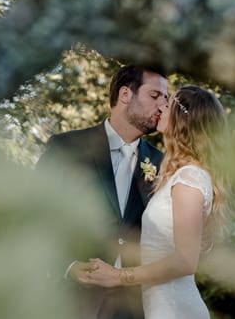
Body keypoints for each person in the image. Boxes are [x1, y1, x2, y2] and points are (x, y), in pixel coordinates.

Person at [79, 85, 228, 319]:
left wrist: (119, 276)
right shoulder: (180, 174)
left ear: (180, 120)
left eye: (167, 105)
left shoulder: (189, 179)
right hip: (156, 305)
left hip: (175, 309)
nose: (161, 107)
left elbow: (185, 261)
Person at [35, 65, 168, 319]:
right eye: (155, 96)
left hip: (137, 307)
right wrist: (68, 267)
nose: (163, 105)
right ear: (125, 95)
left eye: (165, 98)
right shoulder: (67, 147)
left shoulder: (163, 163)